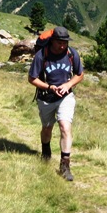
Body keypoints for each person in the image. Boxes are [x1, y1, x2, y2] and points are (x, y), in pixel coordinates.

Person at [28, 26, 84, 181]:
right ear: (52, 41)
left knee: (65, 127)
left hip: (65, 97)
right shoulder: (42, 55)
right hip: (46, 98)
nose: (62, 46)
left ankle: (65, 166)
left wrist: (67, 85)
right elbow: (32, 78)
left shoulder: (72, 54)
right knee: (47, 128)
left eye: (65, 42)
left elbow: (80, 75)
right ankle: (46, 151)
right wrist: (49, 87)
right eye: (59, 42)